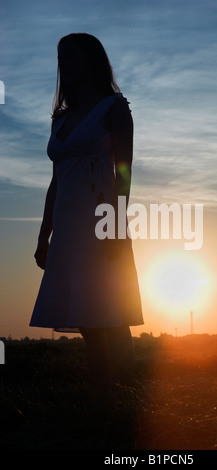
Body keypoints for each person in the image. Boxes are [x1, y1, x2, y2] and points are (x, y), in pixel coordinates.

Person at [30, 33, 144, 393]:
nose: (64, 62)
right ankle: (107, 394)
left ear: (91, 60)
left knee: (105, 311)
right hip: (66, 226)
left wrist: (117, 225)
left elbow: (124, 172)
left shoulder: (114, 109)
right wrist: (43, 233)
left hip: (100, 220)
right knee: (85, 316)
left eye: (72, 55)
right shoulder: (59, 120)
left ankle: (117, 393)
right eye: (60, 56)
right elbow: (55, 182)